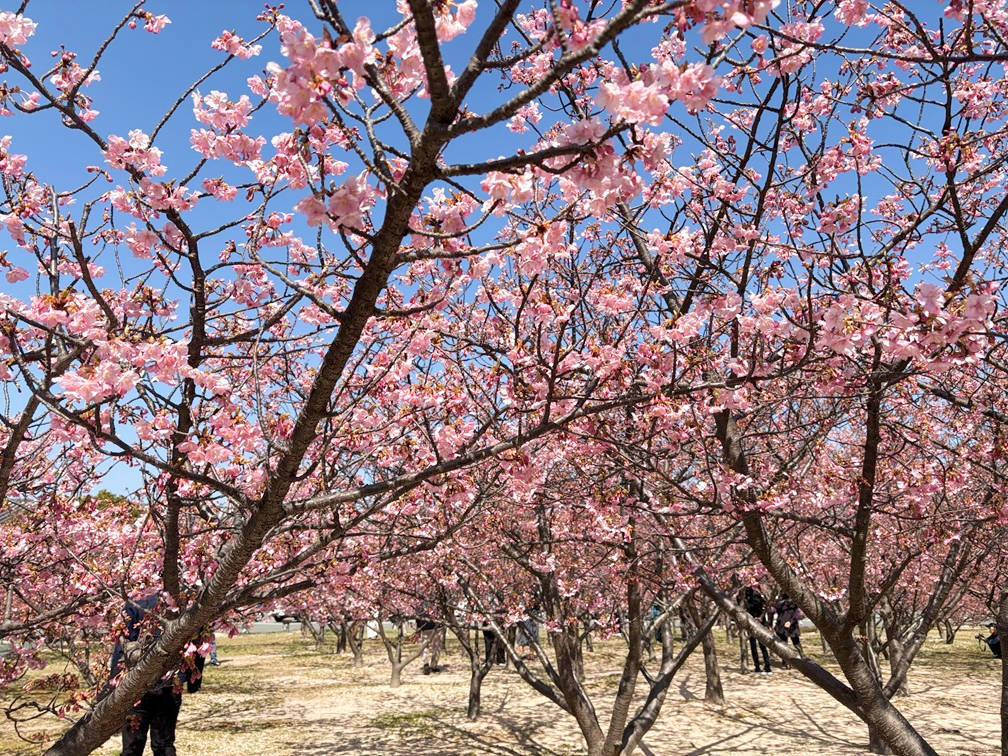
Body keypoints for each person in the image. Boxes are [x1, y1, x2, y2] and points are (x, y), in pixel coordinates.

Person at [110, 595, 206, 756]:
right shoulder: (189, 604)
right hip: (171, 682)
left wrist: (115, 679)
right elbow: (198, 643)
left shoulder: (136, 602)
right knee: (164, 743)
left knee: (132, 745)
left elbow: (123, 646)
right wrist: (194, 679)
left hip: (137, 683)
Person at [741, 586, 772, 673]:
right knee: (762, 646)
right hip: (759, 624)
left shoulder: (748, 600)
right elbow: (765, 607)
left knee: (754, 646)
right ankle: (767, 666)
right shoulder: (758, 597)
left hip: (752, 624)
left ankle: (758, 666)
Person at [773, 592, 804, 657]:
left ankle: (786, 661)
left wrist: (770, 623)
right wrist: (791, 621)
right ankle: (803, 657)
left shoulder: (778, 603)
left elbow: (771, 612)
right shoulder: (794, 603)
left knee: (784, 644)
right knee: (796, 643)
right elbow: (797, 614)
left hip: (782, 625)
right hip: (791, 625)